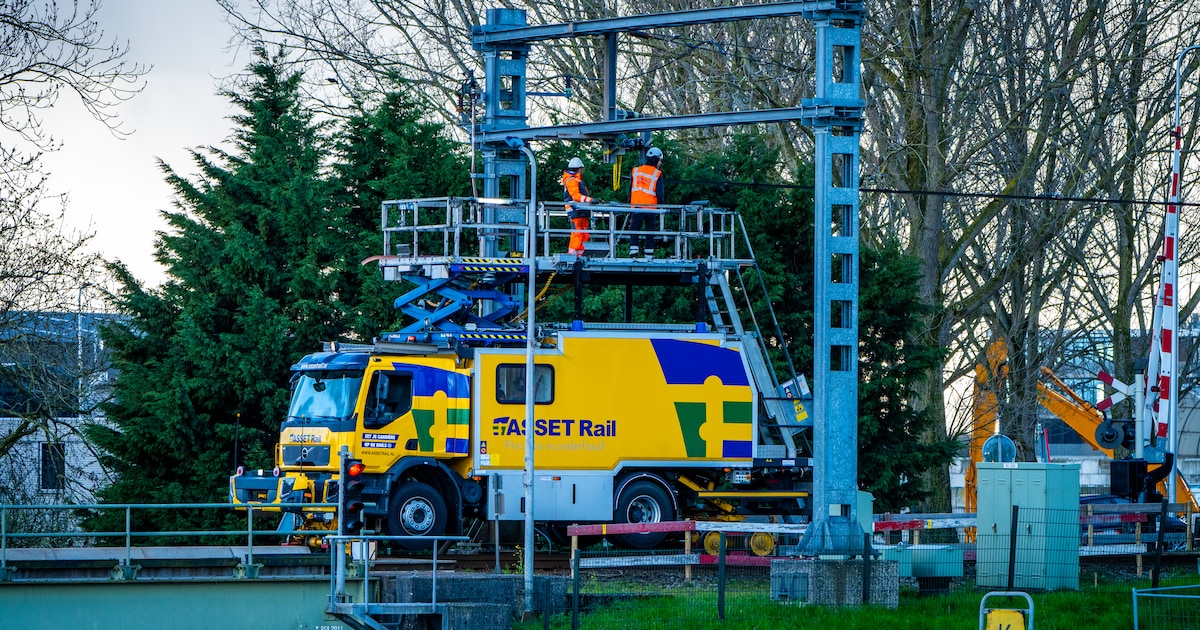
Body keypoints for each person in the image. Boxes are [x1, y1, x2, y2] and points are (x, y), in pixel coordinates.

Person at [628, 146, 664, 259]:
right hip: (650, 207)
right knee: (650, 231)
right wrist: (662, 206)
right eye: (660, 161)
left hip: (636, 206)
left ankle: (633, 252)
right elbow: (660, 193)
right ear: (656, 160)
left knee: (634, 230)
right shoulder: (657, 174)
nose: (660, 163)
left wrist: (629, 205)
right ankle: (649, 254)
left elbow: (629, 190)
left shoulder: (635, 171)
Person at [561, 156, 595, 255]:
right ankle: (573, 255)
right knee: (577, 234)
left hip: (581, 211)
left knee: (583, 234)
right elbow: (576, 196)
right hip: (576, 211)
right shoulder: (572, 180)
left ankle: (580, 254)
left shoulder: (575, 180)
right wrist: (591, 200)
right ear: (579, 169)